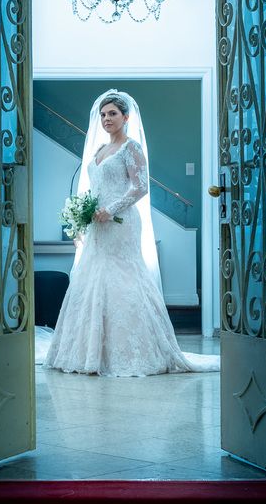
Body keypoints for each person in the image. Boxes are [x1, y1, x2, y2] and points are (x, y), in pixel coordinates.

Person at [42, 89, 219, 377]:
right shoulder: (100, 150)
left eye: (112, 113)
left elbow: (140, 187)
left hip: (121, 222)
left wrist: (110, 210)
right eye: (102, 114)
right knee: (92, 277)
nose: (106, 119)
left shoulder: (131, 147)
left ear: (125, 117)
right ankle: (86, 352)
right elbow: (92, 190)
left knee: (124, 276)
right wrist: (82, 220)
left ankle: (136, 351)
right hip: (97, 224)